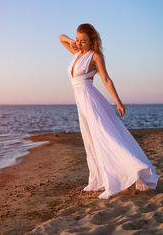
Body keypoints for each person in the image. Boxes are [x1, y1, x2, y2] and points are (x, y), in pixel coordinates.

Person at [59, 23, 159, 199]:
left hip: (91, 101)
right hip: (81, 102)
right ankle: (105, 178)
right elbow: (60, 38)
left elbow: (106, 79)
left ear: (92, 41)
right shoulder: (77, 53)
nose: (79, 43)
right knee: (91, 141)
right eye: (78, 40)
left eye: (83, 41)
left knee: (105, 137)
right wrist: (70, 41)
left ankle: (130, 175)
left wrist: (118, 102)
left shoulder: (94, 56)